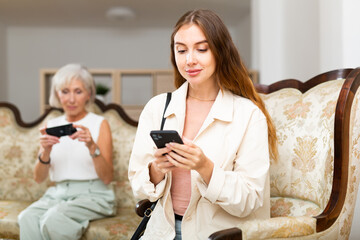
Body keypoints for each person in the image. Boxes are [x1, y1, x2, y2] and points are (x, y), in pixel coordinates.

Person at [128, 9, 277, 240]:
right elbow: (138, 183)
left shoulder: (248, 114)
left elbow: (251, 200)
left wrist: (205, 168)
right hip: (160, 232)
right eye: (181, 50)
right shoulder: (157, 108)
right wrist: (156, 170)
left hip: (216, 235)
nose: (190, 60)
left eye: (201, 49)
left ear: (220, 51)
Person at [18, 63, 116, 240]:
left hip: (94, 195)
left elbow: (108, 177)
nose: (71, 99)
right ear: (57, 94)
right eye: (65, 91)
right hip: (58, 194)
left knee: (53, 219)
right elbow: (39, 178)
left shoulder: (100, 123)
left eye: (78, 92)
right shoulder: (50, 126)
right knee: (26, 217)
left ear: (88, 94)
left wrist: (92, 146)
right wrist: (46, 152)